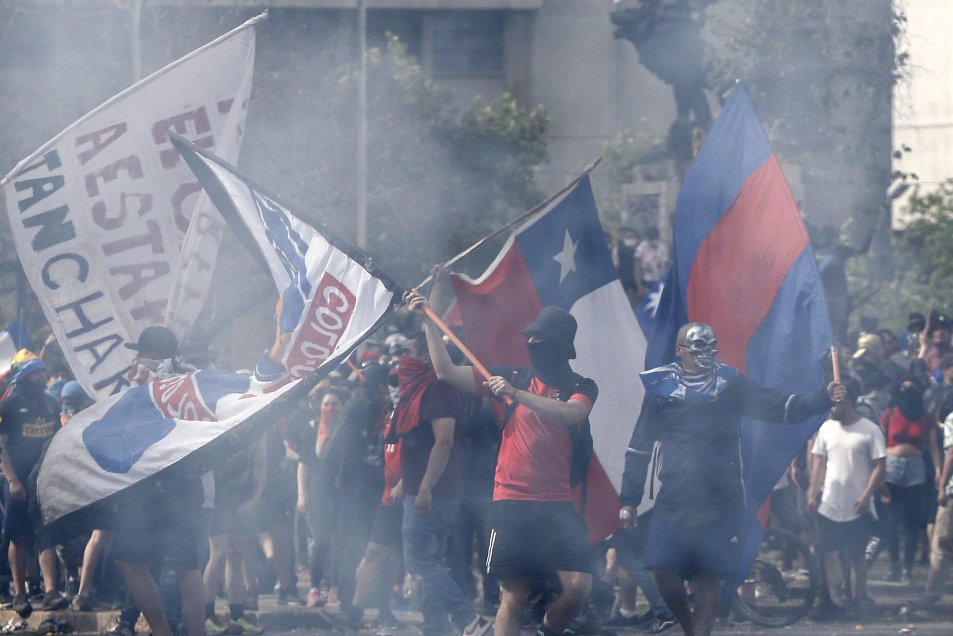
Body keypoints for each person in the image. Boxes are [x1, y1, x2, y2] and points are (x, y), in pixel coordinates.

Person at [620, 322, 844, 636]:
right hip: (674, 493)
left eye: (709, 345)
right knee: (661, 568)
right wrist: (629, 499)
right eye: (696, 346)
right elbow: (640, 444)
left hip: (719, 495)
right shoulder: (662, 388)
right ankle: (688, 628)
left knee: (708, 574)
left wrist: (822, 397)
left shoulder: (730, 383)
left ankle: (702, 632)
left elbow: (776, 406)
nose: (704, 352)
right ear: (679, 350)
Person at [405, 287, 596, 636]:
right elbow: (446, 372)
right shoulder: (512, 376)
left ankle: (549, 631)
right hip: (511, 502)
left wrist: (516, 395)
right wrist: (428, 322)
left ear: (561, 345)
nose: (533, 343)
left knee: (579, 587)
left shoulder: (579, 385)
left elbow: (571, 414)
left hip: (556, 505)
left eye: (541, 337)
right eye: (531, 336)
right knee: (513, 594)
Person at [110, 326, 208, 636]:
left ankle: (163, 631)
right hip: (189, 484)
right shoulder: (196, 379)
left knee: (127, 557)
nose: (136, 356)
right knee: (187, 568)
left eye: (140, 351)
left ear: (151, 355)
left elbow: (123, 423)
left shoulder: (141, 379)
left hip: (151, 487)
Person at [390, 328, 485, 636]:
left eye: (410, 351)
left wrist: (425, 489)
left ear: (426, 357)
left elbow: (443, 442)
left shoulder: (438, 390)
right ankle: (435, 627)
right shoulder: (419, 390)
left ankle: (467, 618)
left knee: (419, 562)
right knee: (430, 564)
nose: (404, 358)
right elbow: (419, 444)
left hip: (434, 494)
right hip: (419, 490)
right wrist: (403, 484)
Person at [807, 378, 885, 618]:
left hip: (857, 505)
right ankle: (834, 599)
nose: (831, 409)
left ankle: (856, 601)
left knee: (856, 554)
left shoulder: (870, 430)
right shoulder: (827, 428)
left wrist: (866, 495)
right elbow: (819, 461)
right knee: (828, 552)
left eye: (835, 404)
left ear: (847, 402)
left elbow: (880, 466)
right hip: (830, 503)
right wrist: (812, 492)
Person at [0, 358, 68, 616]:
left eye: (43, 372)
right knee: (19, 537)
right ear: (25, 376)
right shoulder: (10, 404)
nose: (42, 377)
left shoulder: (51, 403)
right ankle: (20, 594)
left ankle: (51, 592)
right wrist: (12, 480)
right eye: (36, 373)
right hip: (17, 481)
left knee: (46, 534)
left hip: (44, 479)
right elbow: (1, 446)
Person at [880, 377, 942, 582]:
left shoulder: (927, 417)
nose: (906, 391)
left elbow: (933, 446)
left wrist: (938, 469)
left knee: (911, 522)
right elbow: (879, 444)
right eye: (903, 387)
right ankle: (893, 566)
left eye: (910, 388)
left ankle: (907, 569)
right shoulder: (889, 413)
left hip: (915, 469)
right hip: (891, 467)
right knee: (891, 521)